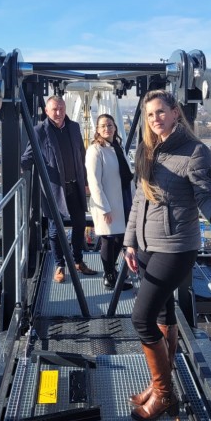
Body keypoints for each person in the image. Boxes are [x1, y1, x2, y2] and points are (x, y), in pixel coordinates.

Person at [123, 90, 211, 421]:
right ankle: (160, 380)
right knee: (162, 310)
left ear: (175, 113)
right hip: (146, 245)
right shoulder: (147, 149)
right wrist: (130, 242)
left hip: (175, 247)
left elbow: (206, 193)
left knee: (141, 319)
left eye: (161, 112)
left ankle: (165, 394)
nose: (155, 119)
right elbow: (138, 202)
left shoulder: (195, 151)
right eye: (149, 115)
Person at [21, 95, 96, 282]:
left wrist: (86, 180)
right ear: (46, 111)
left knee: (80, 224)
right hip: (54, 190)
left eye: (61, 108)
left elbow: (81, 155)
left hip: (75, 186)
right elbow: (28, 157)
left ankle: (78, 261)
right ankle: (59, 265)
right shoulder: (39, 131)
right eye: (54, 109)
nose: (59, 112)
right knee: (55, 230)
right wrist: (16, 166)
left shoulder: (74, 127)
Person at [85, 113, 134, 291]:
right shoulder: (95, 150)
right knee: (108, 239)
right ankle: (109, 276)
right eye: (103, 126)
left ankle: (113, 272)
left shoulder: (117, 147)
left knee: (120, 238)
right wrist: (104, 208)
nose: (107, 128)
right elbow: (94, 182)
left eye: (110, 125)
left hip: (124, 198)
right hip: (109, 203)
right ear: (97, 130)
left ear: (115, 127)